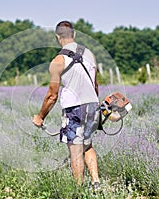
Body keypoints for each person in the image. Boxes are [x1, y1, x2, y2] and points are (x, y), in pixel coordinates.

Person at [32, 21, 101, 191]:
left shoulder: (58, 61)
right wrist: (94, 107)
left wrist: (40, 117)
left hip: (74, 108)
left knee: (75, 149)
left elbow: (51, 95)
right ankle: (96, 183)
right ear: (74, 34)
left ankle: (79, 190)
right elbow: (96, 85)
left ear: (58, 37)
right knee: (88, 145)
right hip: (93, 104)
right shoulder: (90, 55)